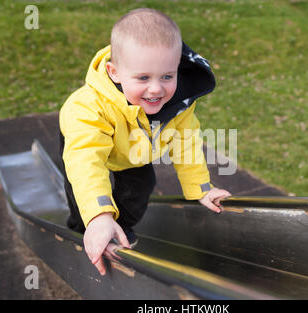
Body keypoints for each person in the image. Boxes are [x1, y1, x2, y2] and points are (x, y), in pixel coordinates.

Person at [59, 8, 231, 276]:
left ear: (177, 69)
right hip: (87, 144)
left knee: (142, 185)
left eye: (167, 76)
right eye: (143, 78)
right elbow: (85, 161)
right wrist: (99, 215)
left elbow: (185, 142)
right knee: (80, 188)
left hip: (131, 150)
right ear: (114, 72)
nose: (156, 89)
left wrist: (201, 189)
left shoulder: (176, 104)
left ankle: (122, 226)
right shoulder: (88, 109)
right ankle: (84, 226)